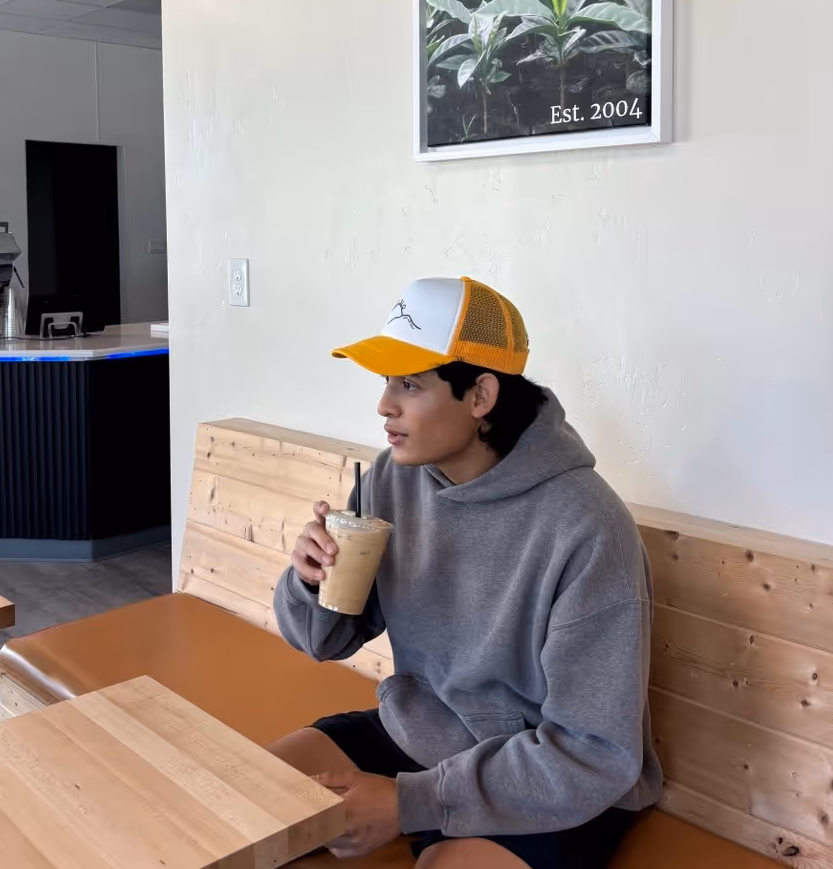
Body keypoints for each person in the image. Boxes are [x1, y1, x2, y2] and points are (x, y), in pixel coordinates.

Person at [270, 276, 663, 869]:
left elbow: (593, 752)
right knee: (242, 800)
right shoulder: (391, 477)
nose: (384, 405)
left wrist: (410, 804)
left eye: (409, 384)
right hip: (421, 732)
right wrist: (310, 580)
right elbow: (324, 641)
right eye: (385, 381)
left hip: (545, 779)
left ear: (480, 395)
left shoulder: (588, 528)